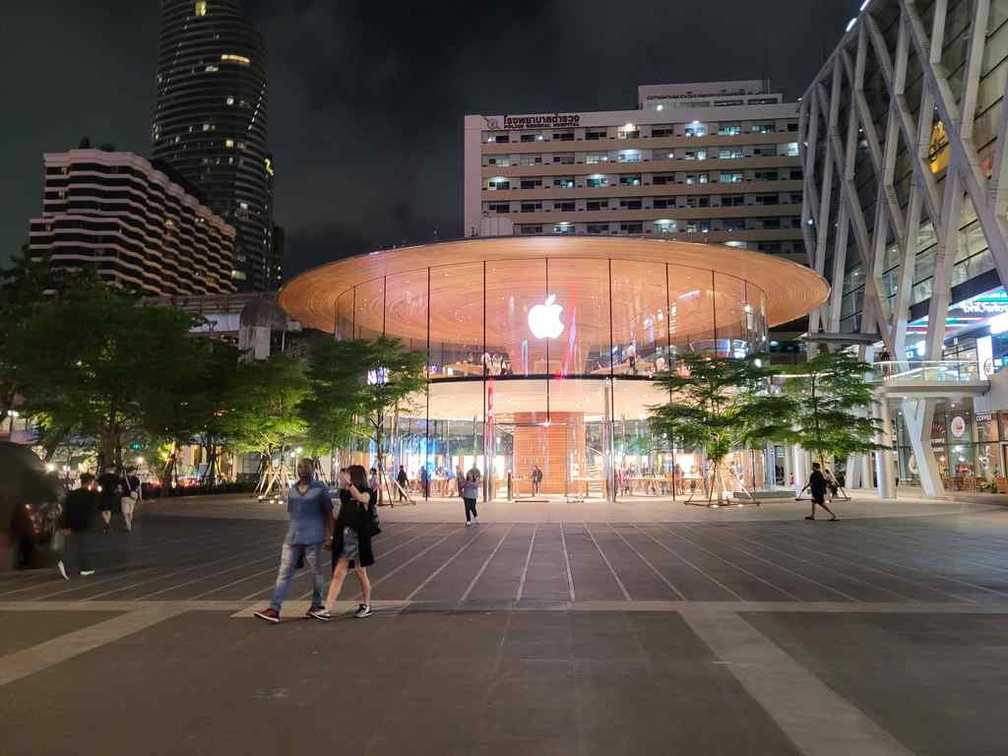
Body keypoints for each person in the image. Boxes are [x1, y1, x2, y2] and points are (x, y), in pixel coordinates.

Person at [253, 458, 333, 624]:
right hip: (292, 538)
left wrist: (330, 536)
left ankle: (316, 605)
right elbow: (292, 514)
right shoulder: (292, 490)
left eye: (306, 467)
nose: (302, 469)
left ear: (313, 469)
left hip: (314, 538)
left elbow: (329, 514)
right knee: (284, 574)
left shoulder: (320, 489)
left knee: (316, 573)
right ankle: (274, 609)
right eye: (299, 467)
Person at [314, 465, 377, 621]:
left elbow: (362, 499)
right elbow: (341, 516)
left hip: (358, 538)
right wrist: (333, 536)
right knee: (339, 573)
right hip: (345, 537)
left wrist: (349, 485)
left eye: (348, 475)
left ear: (354, 477)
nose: (344, 478)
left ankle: (366, 605)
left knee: (359, 571)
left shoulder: (367, 492)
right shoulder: (344, 493)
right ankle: (328, 608)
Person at [57, 473, 98, 579]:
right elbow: (95, 508)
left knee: (71, 546)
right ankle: (85, 568)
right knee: (84, 546)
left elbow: (66, 510)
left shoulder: (72, 494)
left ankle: (64, 562)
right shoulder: (92, 495)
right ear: (90, 482)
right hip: (84, 523)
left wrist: (64, 525)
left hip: (71, 522)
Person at [96, 466, 121, 533]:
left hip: (103, 494)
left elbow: (97, 485)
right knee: (109, 510)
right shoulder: (116, 477)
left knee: (103, 510)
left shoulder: (102, 477)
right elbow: (119, 486)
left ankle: (107, 524)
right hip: (112, 495)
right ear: (112, 470)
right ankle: (107, 524)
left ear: (106, 470)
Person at [120, 466, 142, 532]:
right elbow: (139, 488)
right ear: (133, 471)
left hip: (125, 496)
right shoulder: (136, 479)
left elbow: (120, 488)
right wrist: (140, 497)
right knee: (130, 511)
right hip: (133, 497)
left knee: (125, 512)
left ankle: (128, 524)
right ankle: (129, 521)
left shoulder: (123, 479)